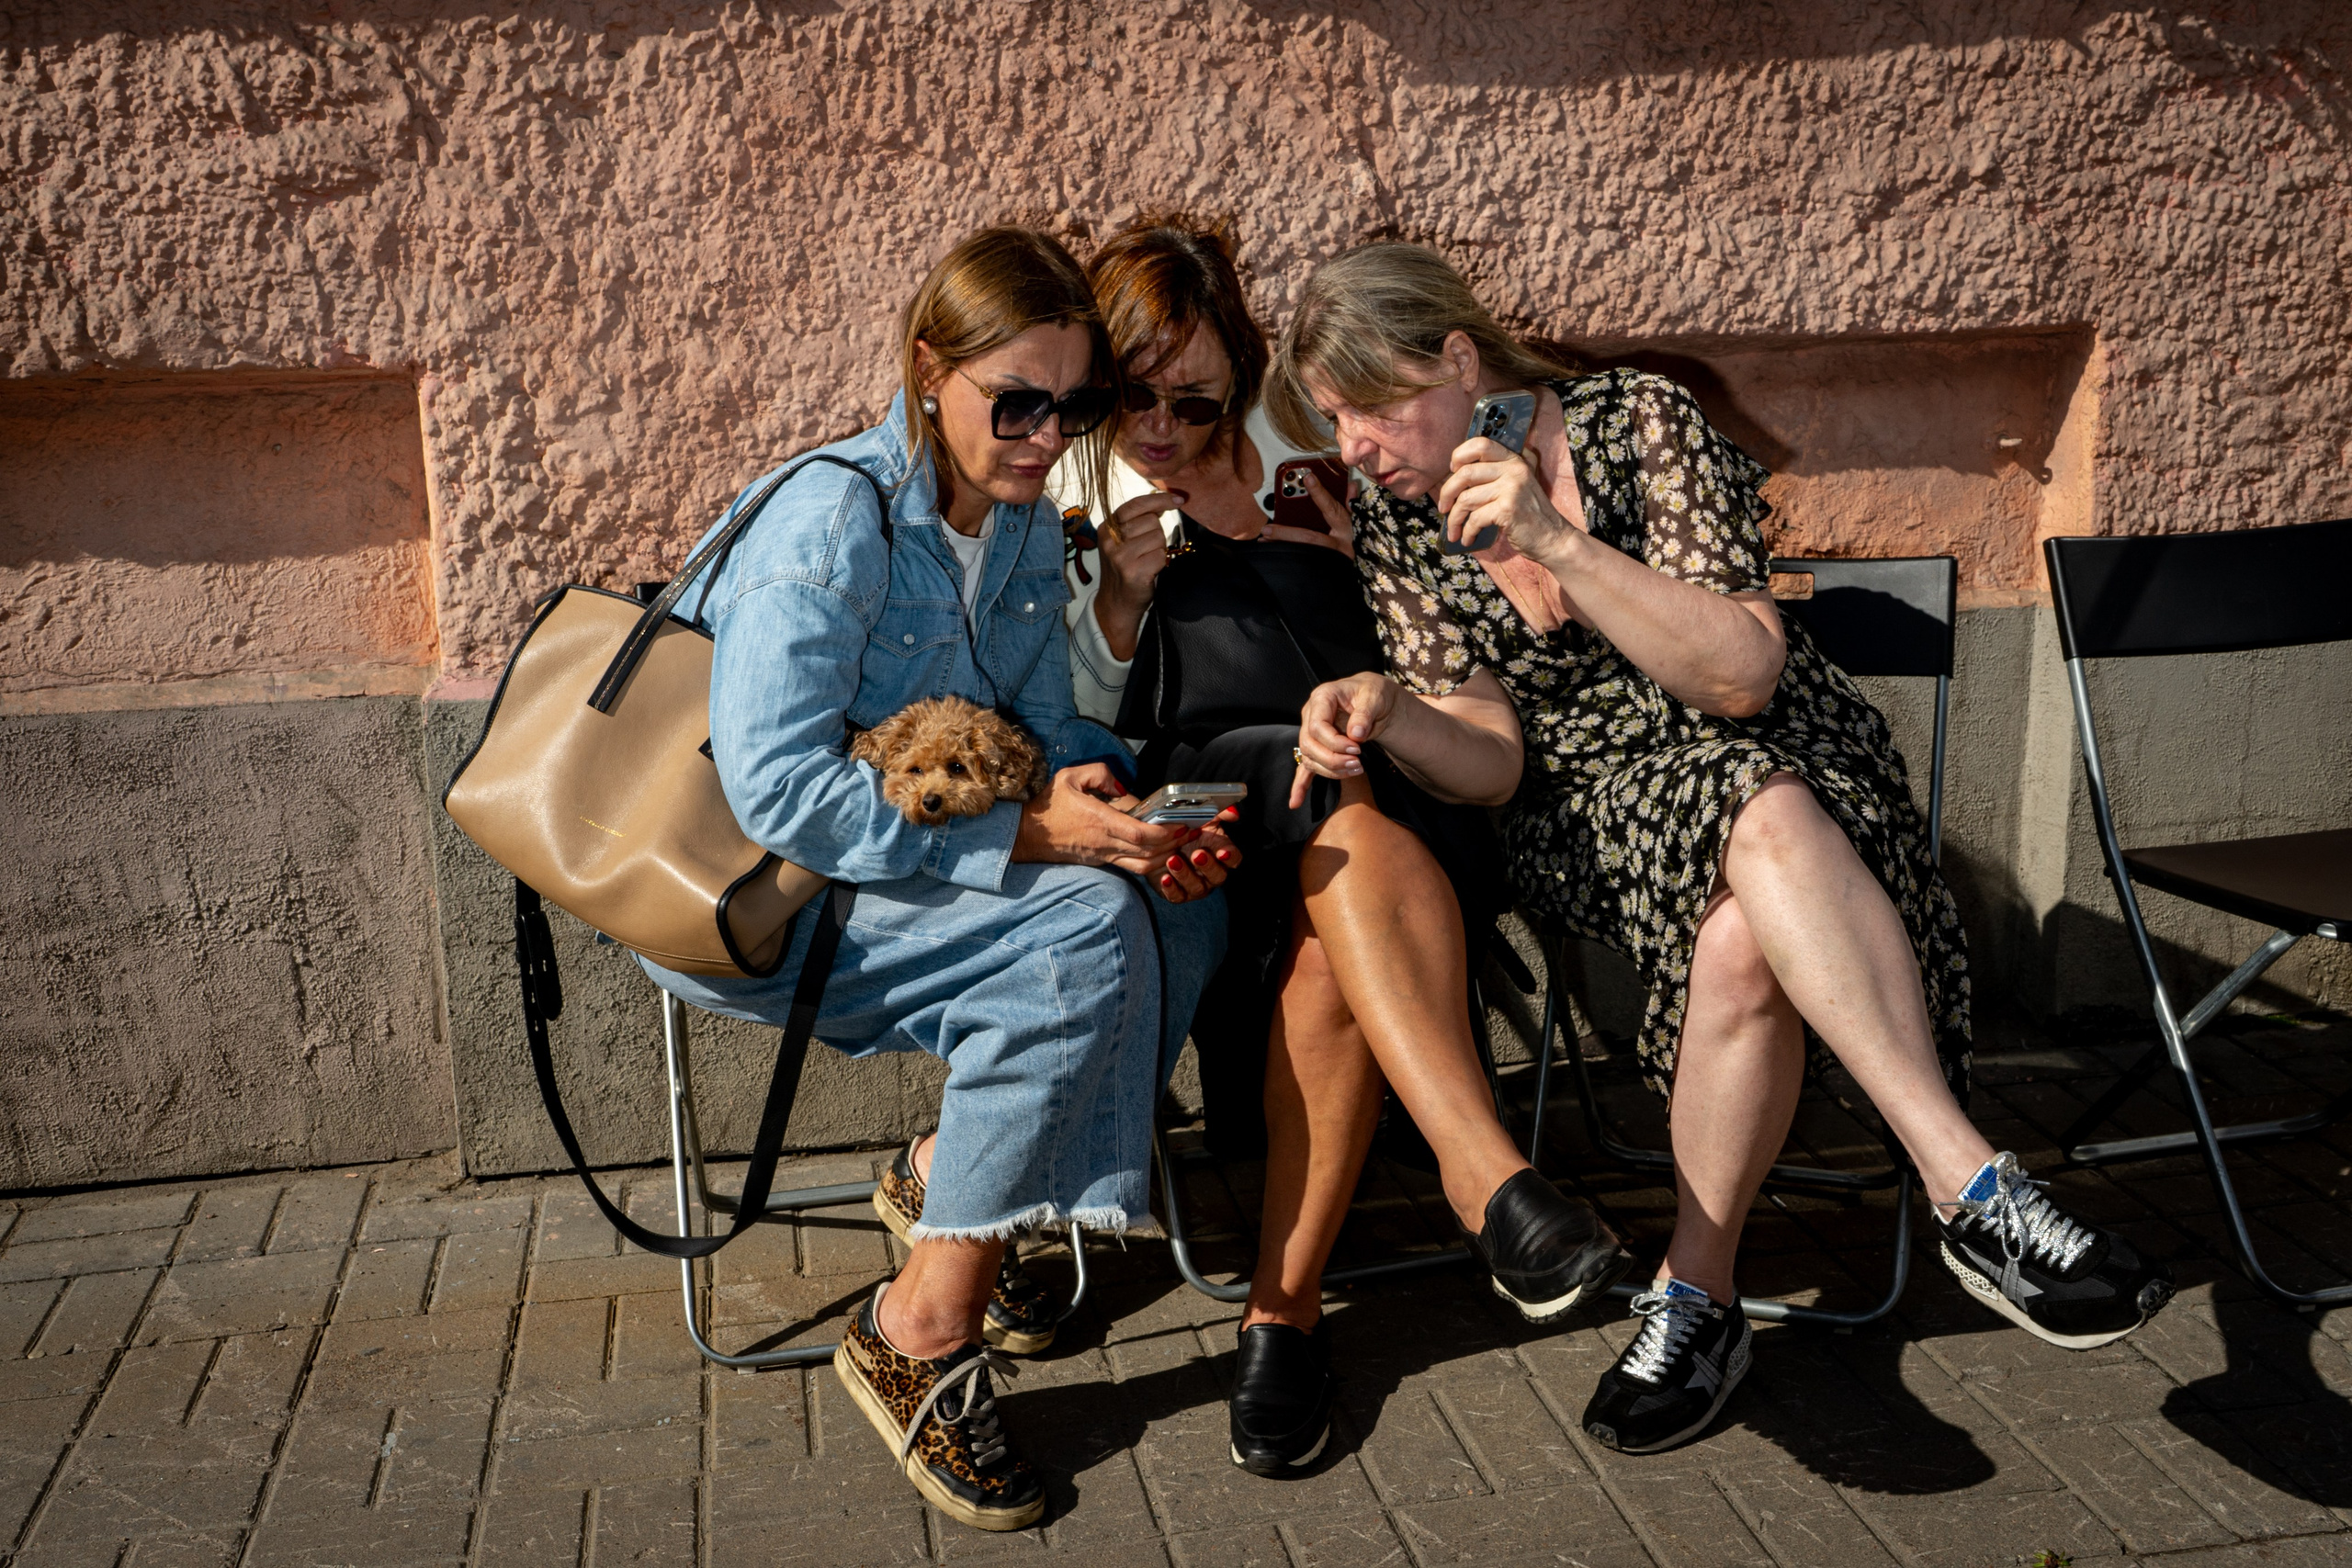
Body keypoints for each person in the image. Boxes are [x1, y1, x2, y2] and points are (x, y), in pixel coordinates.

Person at [1269, 242, 2177, 1457]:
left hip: (1777, 754)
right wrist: (1396, 711)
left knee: (1752, 873)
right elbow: (1495, 759)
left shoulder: (1638, 420)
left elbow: (1745, 681)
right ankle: (1973, 1189)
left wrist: (1557, 541)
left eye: (1372, 410)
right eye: (1334, 423)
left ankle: (1698, 1297)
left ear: (1459, 358)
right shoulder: (1395, 519)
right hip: (1594, 809)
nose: (1357, 451)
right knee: (1754, 828)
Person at [639, 226, 1238, 1532]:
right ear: (928, 370)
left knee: (1174, 899)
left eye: (1073, 406)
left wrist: (1107, 800)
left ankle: (951, 1178)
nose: (1043, 434)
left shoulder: (1018, 523)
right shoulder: (831, 525)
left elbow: (1026, 736)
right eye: (1013, 400)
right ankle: (916, 1327)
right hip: (762, 906)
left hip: (900, 866)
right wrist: (1037, 841)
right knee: (1082, 927)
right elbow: (781, 793)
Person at [1056, 216, 1634, 1479]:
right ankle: (1489, 1185)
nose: (1160, 421)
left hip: (1401, 818)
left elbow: (1471, 635)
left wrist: (1368, 547)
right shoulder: (1071, 496)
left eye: (1192, 394)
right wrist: (1115, 599)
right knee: (1315, 796)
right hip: (1226, 845)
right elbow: (1076, 734)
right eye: (1134, 392)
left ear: (1239, 373)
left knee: (1345, 860)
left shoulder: (1324, 463)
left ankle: (1286, 1312)